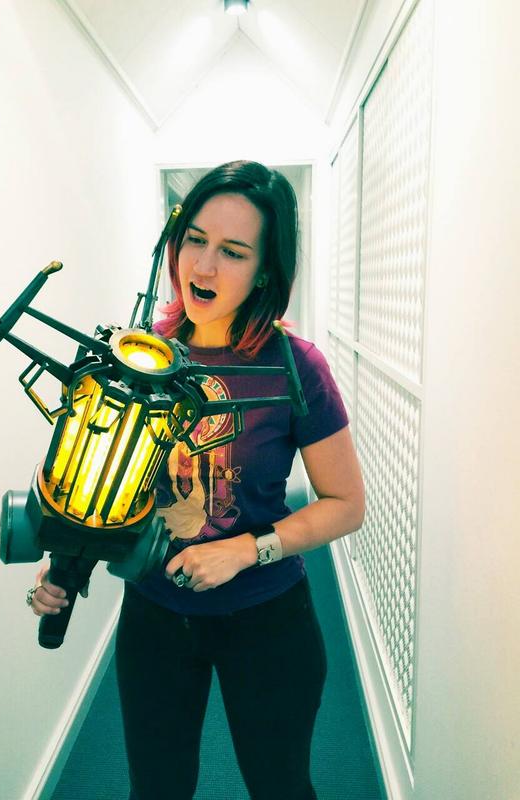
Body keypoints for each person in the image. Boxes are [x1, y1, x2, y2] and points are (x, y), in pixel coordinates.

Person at [29, 160, 365, 800]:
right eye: (195, 240)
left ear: (265, 269)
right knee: (156, 788)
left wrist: (244, 550)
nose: (203, 267)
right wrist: (67, 558)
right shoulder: (138, 357)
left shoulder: (295, 367)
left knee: (281, 786)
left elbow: (346, 504)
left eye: (233, 252)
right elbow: (99, 478)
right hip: (155, 615)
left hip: (268, 616)